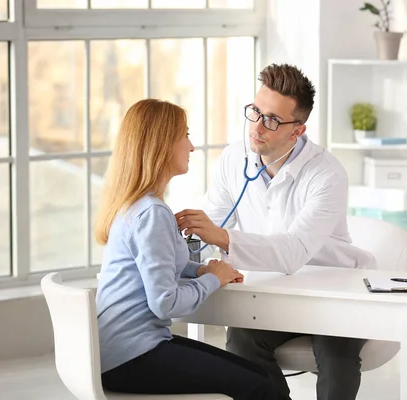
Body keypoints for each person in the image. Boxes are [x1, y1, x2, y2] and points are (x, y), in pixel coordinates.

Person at [175, 64, 376, 400]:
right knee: (241, 338)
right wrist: (187, 241)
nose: (257, 127)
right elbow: (213, 220)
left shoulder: (326, 174)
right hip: (274, 295)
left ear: (297, 131)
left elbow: (293, 251)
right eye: (255, 112)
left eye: (271, 120)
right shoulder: (235, 158)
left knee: (334, 349)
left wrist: (220, 237)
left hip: (335, 292)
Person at [94, 98, 278, 400]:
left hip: (123, 352)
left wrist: (204, 269)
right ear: (162, 144)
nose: (191, 147)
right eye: (185, 135)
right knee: (259, 387)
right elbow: (166, 303)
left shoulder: (136, 207)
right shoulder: (151, 213)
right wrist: (213, 279)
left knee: (259, 376)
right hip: (133, 358)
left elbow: (165, 268)